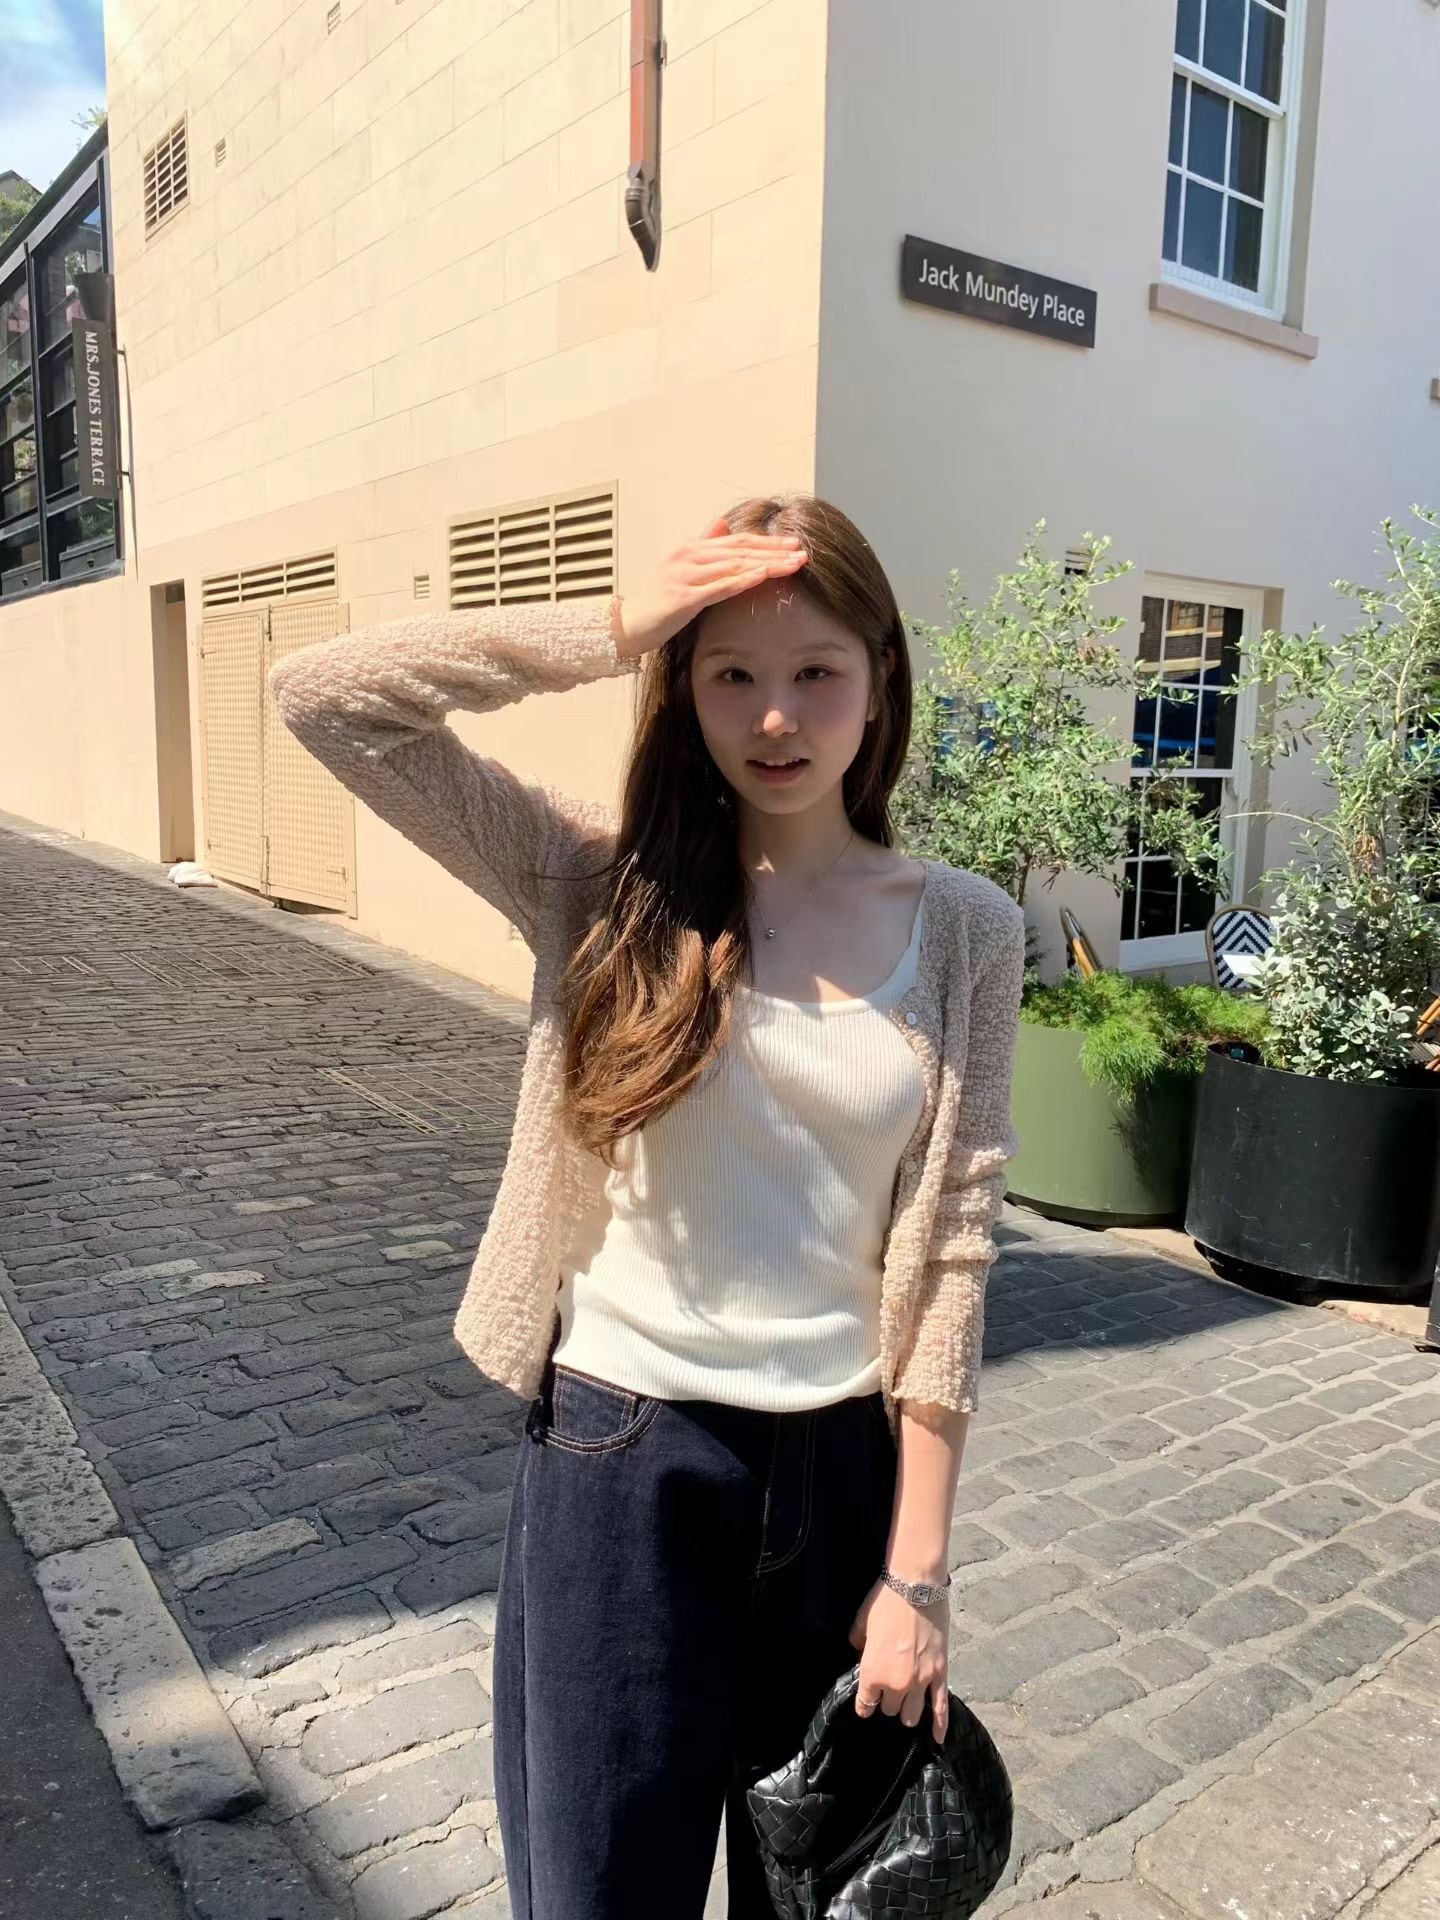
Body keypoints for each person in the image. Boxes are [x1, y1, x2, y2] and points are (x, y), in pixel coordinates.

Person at [268, 493, 1026, 1920]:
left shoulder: (967, 930)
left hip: (841, 1474)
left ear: (881, 679)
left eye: (816, 670)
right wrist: (612, 627)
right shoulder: (601, 881)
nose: (776, 716)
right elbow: (326, 699)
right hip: (622, 1466)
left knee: (816, 1898)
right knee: (602, 1893)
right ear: (684, 687)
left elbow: (954, 1250)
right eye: (730, 672)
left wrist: (917, 1578)